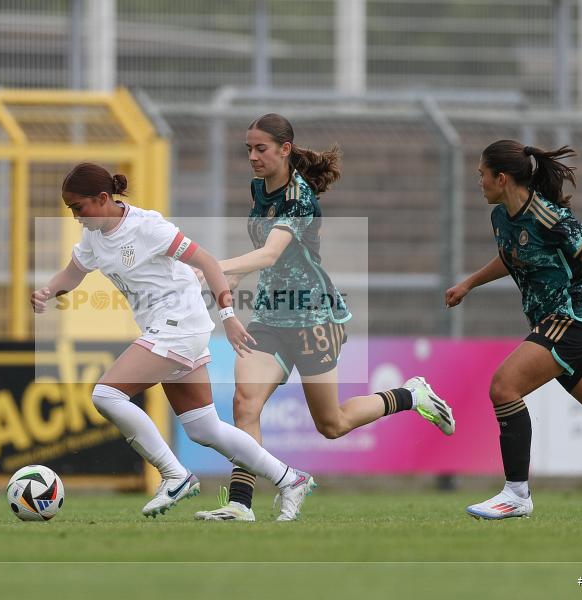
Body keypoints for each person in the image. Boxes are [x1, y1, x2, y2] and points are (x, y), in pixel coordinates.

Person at [193, 114, 455, 522]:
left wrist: (209, 265)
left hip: (314, 317)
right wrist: (222, 280)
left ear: (284, 149)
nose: (252, 156)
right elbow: (258, 259)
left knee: (331, 424)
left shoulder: (301, 199)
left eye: (260, 148)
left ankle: (409, 396)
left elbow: (270, 254)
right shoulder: (260, 189)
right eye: (248, 148)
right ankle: (240, 505)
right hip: (269, 316)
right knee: (245, 404)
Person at [31, 162, 316, 520]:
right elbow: (73, 274)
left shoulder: (147, 227)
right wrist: (48, 291)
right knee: (204, 428)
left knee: (106, 394)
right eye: (70, 210)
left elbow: (209, 263)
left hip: (179, 323)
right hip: (170, 328)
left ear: (103, 198)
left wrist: (228, 318)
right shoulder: (93, 236)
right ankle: (290, 478)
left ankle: (174, 475)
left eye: (78, 208)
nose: (75, 217)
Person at [446, 140, 582, 520]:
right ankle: (516, 493)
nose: (479, 181)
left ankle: (516, 494)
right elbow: (513, 256)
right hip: (555, 325)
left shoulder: (549, 217)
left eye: (482, 174)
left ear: (501, 178)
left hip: (569, 320)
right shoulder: (501, 217)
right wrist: (469, 283)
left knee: (504, 387)